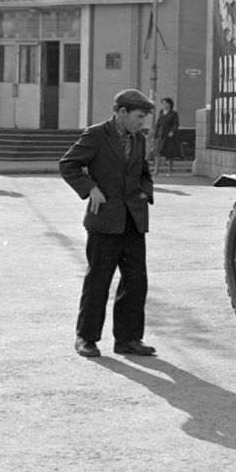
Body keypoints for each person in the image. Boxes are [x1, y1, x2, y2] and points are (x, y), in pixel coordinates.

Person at [60, 88, 156, 358]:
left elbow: (144, 172)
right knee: (99, 280)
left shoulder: (138, 139)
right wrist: (90, 188)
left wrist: (145, 192)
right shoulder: (96, 135)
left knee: (136, 282)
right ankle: (86, 338)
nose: (142, 123)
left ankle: (128, 339)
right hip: (105, 220)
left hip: (133, 220)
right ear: (121, 112)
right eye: (139, 116)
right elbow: (68, 164)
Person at [152, 97, 179, 176]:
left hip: (169, 135)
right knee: (158, 152)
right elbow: (158, 124)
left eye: (166, 103)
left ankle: (169, 171)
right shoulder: (161, 112)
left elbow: (176, 124)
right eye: (163, 103)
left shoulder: (173, 113)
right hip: (161, 134)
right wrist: (155, 135)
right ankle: (156, 170)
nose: (164, 105)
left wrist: (172, 131)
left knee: (169, 153)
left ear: (170, 104)